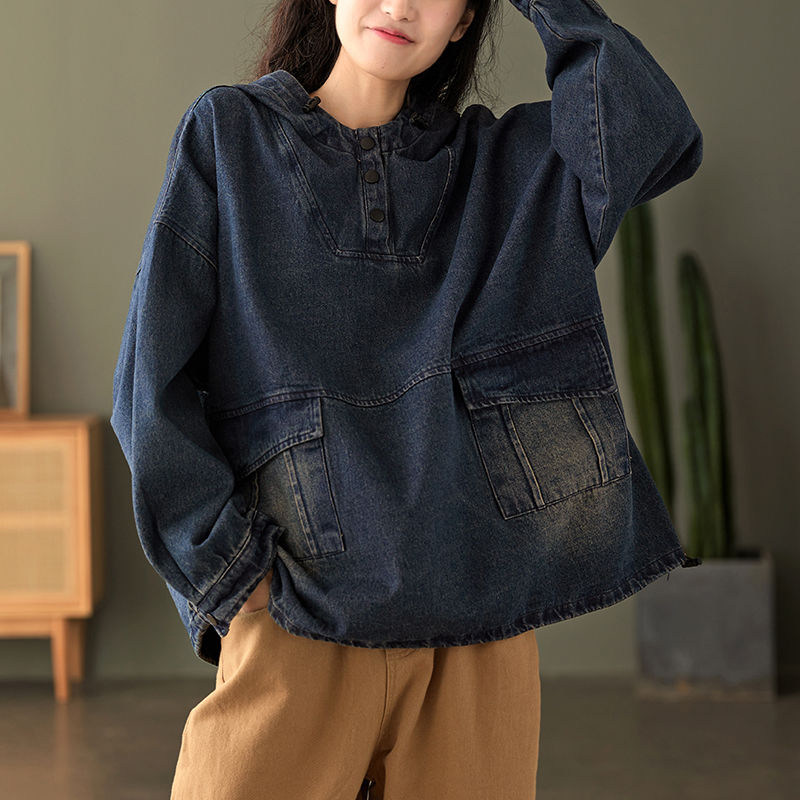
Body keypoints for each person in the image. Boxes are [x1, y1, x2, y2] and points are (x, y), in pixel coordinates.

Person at [110, 0, 704, 797]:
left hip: (480, 629)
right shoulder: (230, 136)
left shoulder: (506, 168)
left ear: (464, 20)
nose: (400, 4)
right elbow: (148, 383)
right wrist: (231, 571)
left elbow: (650, 129)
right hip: (299, 614)